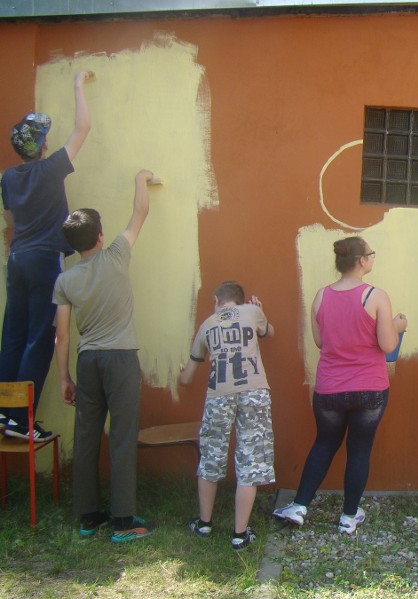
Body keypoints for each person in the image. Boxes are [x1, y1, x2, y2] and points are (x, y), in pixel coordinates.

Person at [272, 236, 406, 534]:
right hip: (370, 389)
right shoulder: (376, 296)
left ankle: (299, 506)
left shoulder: (320, 296)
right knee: (359, 449)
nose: (372, 257)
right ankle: (348, 516)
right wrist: (397, 327)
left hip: (329, 389)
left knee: (324, 444)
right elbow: (387, 344)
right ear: (362, 261)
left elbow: (321, 342)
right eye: (371, 253)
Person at [54, 169, 159, 542]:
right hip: (120, 359)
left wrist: (65, 378)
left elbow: (62, 336)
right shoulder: (116, 254)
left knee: (86, 437)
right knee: (122, 436)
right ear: (100, 236)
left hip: (88, 361)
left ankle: (88, 517)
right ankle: (123, 521)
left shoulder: (65, 280)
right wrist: (140, 179)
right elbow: (140, 213)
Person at [0, 71, 94, 441]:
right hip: (43, 261)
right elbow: (83, 127)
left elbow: (9, 220)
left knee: (12, 337)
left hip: (17, 260)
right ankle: (22, 421)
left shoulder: (8, 178)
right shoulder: (51, 168)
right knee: (41, 339)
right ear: (42, 145)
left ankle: (5, 414)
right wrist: (78, 85)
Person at [179, 281, 276, 550]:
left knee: (211, 455)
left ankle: (204, 523)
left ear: (216, 300)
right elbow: (269, 331)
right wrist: (260, 313)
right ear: (241, 300)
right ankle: (240, 533)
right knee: (250, 458)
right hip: (253, 392)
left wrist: (180, 376)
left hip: (218, 394)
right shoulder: (251, 312)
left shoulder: (207, 325)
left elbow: (187, 376)